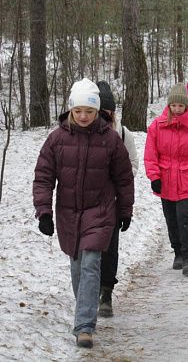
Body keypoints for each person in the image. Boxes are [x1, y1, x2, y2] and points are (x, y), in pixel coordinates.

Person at [33, 78, 134, 348]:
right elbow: (43, 177)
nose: (83, 116)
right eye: (78, 111)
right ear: (71, 110)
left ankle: (84, 326)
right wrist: (43, 211)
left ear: (98, 111)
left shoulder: (110, 139)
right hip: (68, 213)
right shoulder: (56, 139)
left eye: (89, 111)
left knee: (91, 264)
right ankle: (85, 309)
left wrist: (125, 210)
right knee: (78, 267)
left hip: (100, 211)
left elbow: (124, 178)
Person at [144, 84, 188, 277]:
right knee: (171, 219)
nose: (176, 109)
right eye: (173, 105)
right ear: (169, 105)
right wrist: (154, 176)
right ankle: (177, 253)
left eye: (180, 106)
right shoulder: (157, 126)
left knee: (184, 217)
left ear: (186, 106)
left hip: (187, 178)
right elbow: (150, 154)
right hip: (165, 179)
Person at [94, 81, 138, 318]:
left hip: (111, 201)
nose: (103, 115)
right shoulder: (83, 132)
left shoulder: (122, 133)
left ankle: (106, 292)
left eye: (107, 111)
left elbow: (133, 165)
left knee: (110, 249)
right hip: (87, 202)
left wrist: (119, 179)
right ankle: (90, 290)